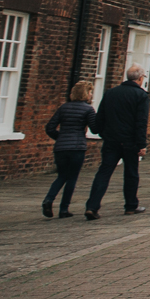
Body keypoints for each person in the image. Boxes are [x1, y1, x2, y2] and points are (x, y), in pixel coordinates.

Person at [85, 64, 150, 219]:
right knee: (131, 173)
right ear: (140, 79)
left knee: (104, 172)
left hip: (111, 140)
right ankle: (130, 206)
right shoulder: (141, 96)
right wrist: (142, 144)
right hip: (130, 141)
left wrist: (101, 132)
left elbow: (100, 116)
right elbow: (141, 122)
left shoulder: (111, 93)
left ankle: (92, 206)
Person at [41, 80, 97, 219]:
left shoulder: (63, 107)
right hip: (77, 147)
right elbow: (95, 129)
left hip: (60, 147)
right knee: (72, 178)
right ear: (86, 93)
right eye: (90, 92)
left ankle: (49, 199)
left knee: (61, 175)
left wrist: (60, 138)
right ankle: (64, 209)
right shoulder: (88, 109)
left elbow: (50, 127)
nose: (91, 95)